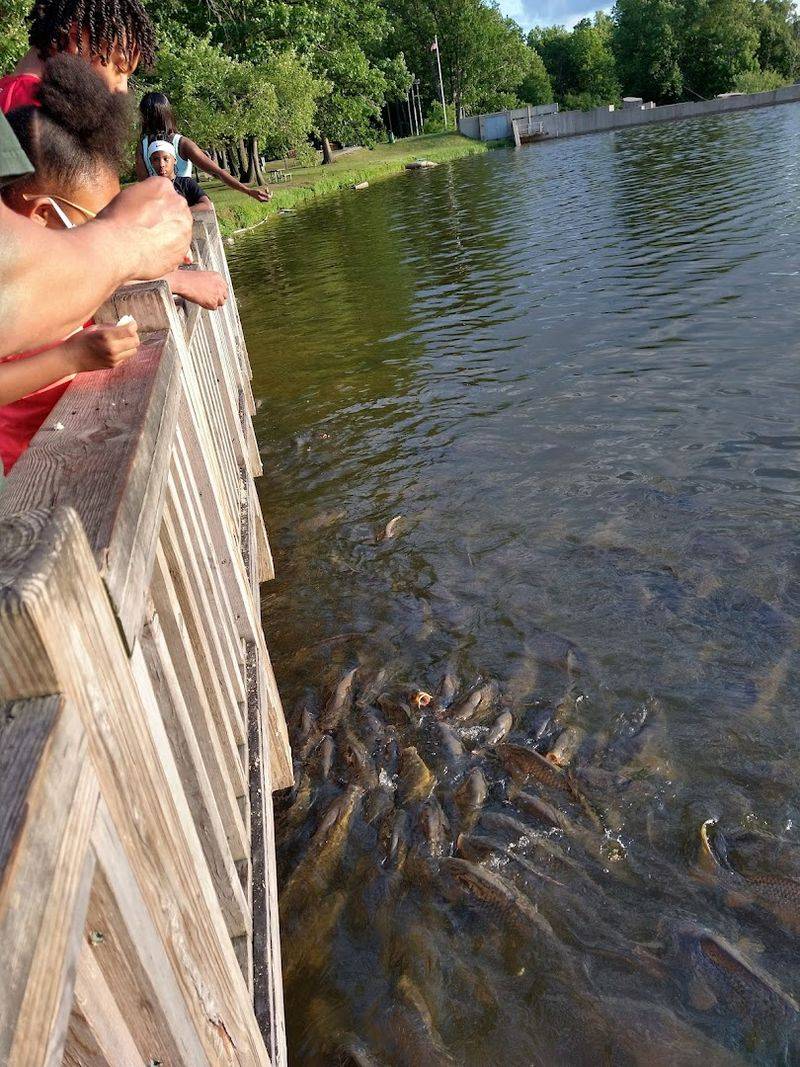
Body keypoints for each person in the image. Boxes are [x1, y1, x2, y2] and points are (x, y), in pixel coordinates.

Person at [0, 57, 225, 472]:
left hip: (75, 436)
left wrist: (160, 272)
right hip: (23, 467)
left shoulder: (51, 266)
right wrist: (68, 359)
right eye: (91, 224)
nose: (122, 87)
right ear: (43, 216)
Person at [0, 0, 156, 111]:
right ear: (73, 38)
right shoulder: (40, 112)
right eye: (118, 67)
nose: (123, 90)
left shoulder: (8, 93)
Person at [137, 91, 272, 204]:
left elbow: (144, 184)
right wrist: (248, 191)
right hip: (185, 206)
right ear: (167, 113)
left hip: (159, 211)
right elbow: (217, 172)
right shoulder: (182, 142)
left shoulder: (143, 145)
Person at [147, 140, 213, 212]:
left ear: (175, 160)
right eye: (156, 160)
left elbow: (207, 205)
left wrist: (179, 213)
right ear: (151, 162)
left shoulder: (186, 183)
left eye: (166, 159)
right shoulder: (150, 190)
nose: (161, 164)